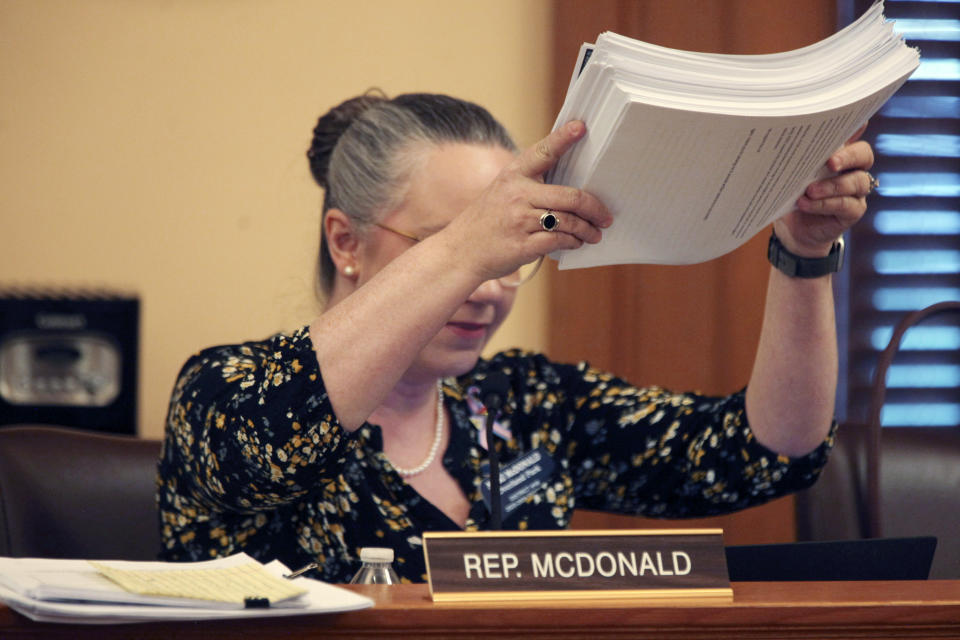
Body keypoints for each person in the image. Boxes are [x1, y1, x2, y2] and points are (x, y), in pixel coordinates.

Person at [157, 91, 875, 583]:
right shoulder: (224, 393)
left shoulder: (526, 404)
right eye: (452, 244)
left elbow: (767, 450)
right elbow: (274, 443)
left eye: (509, 256)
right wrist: (468, 246)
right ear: (346, 240)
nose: (492, 286)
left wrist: (804, 256)